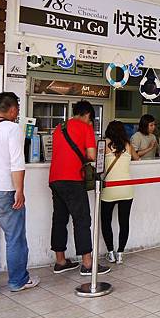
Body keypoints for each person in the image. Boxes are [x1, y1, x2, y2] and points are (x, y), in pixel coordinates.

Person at [49, 100, 110, 276]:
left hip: (55, 179)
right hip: (73, 179)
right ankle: (87, 264)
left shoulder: (59, 128)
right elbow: (91, 155)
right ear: (88, 115)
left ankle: (60, 261)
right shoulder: (85, 128)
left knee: (59, 219)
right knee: (82, 219)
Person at [0, 92, 39, 292]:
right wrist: (19, 190)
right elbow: (17, 163)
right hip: (4, 191)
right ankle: (18, 281)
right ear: (13, 109)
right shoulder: (13, 129)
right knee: (15, 238)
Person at [101, 121, 140, 265]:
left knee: (106, 222)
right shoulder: (128, 145)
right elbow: (137, 158)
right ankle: (120, 254)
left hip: (110, 189)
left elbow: (97, 162)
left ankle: (110, 253)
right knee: (124, 222)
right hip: (126, 188)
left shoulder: (104, 144)